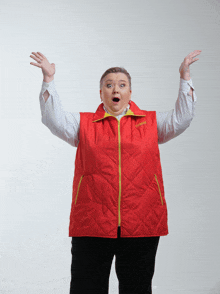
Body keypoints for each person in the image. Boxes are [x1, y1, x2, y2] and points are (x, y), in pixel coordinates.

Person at [30, 49, 201, 294]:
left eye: (122, 84)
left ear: (130, 92)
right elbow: (53, 120)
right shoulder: (84, 124)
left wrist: (185, 78)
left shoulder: (151, 123)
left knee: (136, 288)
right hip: (92, 221)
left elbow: (182, 118)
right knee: (86, 287)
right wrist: (49, 80)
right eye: (109, 85)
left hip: (142, 221)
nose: (115, 89)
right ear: (101, 93)